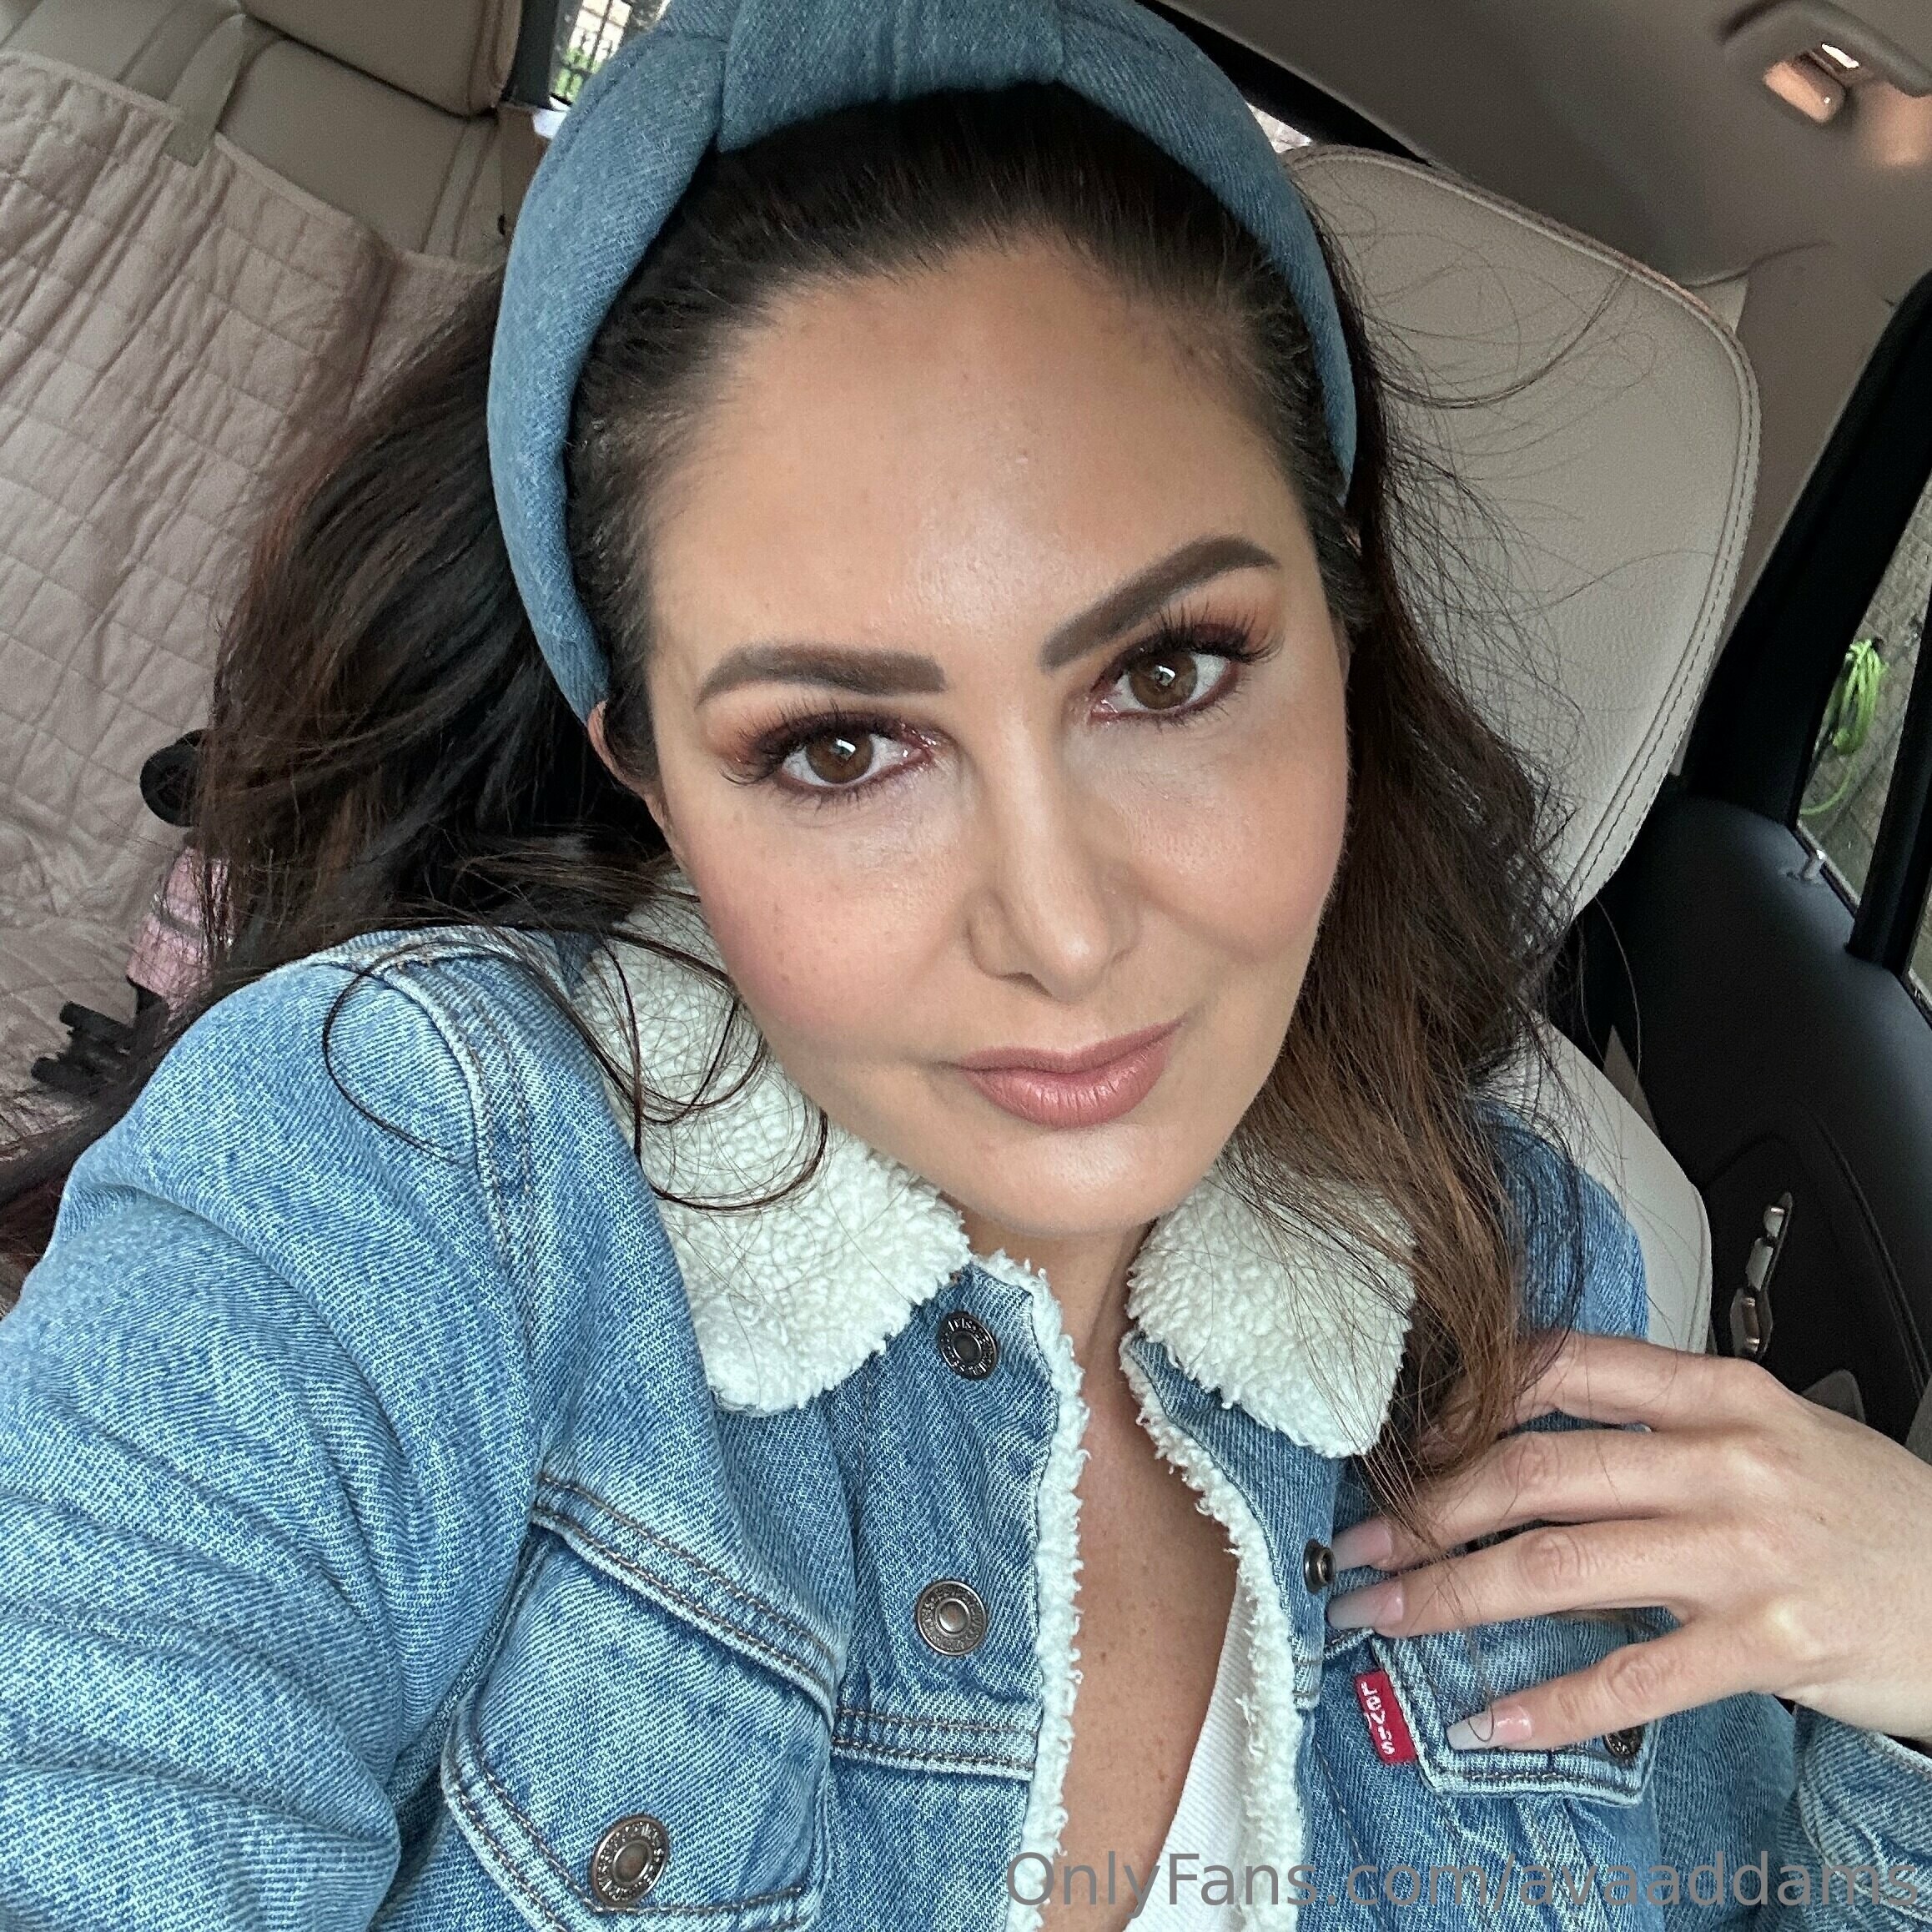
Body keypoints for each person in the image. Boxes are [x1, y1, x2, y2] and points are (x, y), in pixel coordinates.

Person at [0, 1, 1928, 1927]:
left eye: (1168, 672)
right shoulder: (395, 1170)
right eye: (840, 748)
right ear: (649, 774)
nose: (1063, 931)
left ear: (1345, 627)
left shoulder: (1526, 1285)